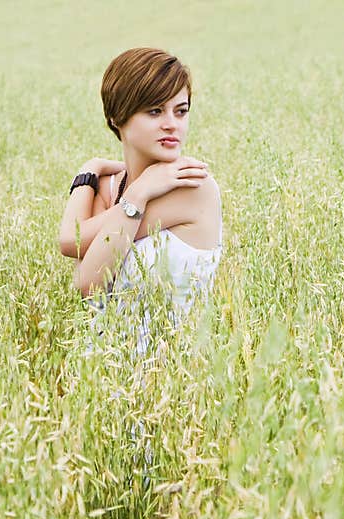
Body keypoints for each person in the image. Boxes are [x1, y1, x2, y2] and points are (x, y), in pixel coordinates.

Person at [58, 47, 223, 360]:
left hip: (172, 375)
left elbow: (88, 282)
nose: (172, 124)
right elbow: (72, 242)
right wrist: (89, 171)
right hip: (101, 371)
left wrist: (135, 197)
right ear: (117, 117)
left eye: (181, 111)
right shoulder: (110, 187)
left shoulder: (192, 186)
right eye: (155, 111)